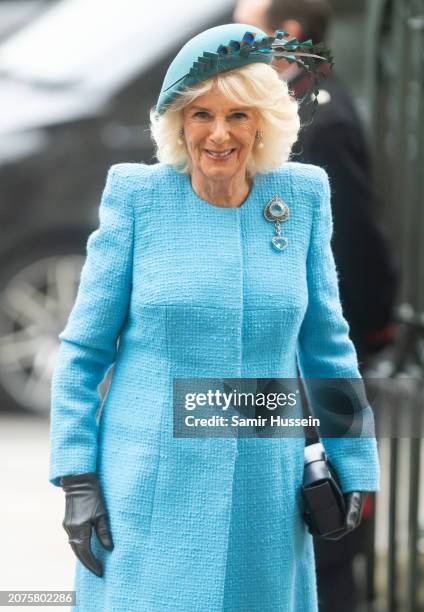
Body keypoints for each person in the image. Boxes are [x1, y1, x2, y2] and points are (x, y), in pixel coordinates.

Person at [48, 23, 380, 612]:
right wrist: (77, 477)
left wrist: (352, 463)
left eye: (239, 115)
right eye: (201, 114)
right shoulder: (138, 198)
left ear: (263, 123)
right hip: (148, 486)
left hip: (264, 488)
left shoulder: (300, 198)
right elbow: (82, 352)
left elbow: (328, 346)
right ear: (177, 122)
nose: (219, 133)